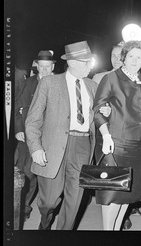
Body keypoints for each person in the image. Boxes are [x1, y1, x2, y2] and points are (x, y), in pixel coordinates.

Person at [25, 41, 111, 230]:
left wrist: (104, 111)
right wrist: (35, 147)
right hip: (52, 146)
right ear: (71, 63)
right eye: (85, 63)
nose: (89, 67)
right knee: (48, 201)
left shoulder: (92, 86)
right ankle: (45, 222)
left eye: (90, 63)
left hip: (82, 146)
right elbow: (33, 120)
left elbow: (96, 114)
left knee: (74, 200)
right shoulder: (49, 83)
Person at [94, 40, 141, 230]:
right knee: (113, 195)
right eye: (131, 56)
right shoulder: (112, 78)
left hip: (139, 146)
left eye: (138, 57)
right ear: (124, 58)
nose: (134, 60)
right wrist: (106, 135)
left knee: (127, 196)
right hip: (117, 143)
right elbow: (98, 108)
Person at [14, 50, 56, 222]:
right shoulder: (28, 83)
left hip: (50, 138)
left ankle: (45, 215)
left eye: (48, 67)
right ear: (36, 66)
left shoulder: (58, 83)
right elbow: (17, 108)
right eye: (42, 67)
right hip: (27, 138)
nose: (45, 70)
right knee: (25, 174)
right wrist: (18, 128)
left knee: (46, 178)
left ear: (53, 66)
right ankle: (22, 208)